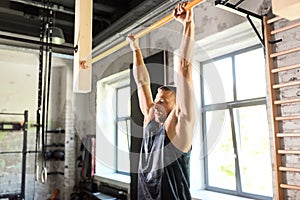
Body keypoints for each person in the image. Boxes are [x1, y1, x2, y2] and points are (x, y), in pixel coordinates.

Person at [127, 2, 195, 200]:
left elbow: (184, 68)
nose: (157, 104)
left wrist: (188, 24)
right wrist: (135, 49)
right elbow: (141, 82)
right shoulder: (151, 120)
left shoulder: (179, 128)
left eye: (163, 102)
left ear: (176, 107)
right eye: (157, 100)